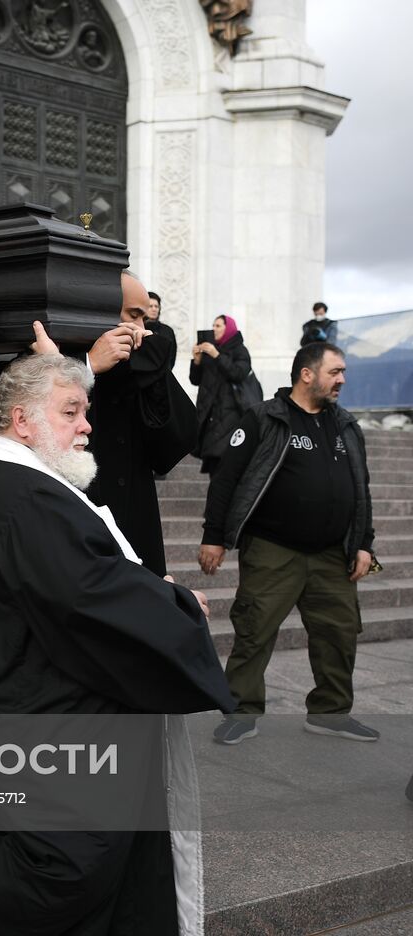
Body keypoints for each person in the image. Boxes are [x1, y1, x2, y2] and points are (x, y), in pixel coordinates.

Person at [0, 353, 233, 936]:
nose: (85, 425)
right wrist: (172, 606)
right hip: (49, 710)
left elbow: (91, 573)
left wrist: (150, 587)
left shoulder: (34, 481)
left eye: (84, 412)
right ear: (22, 420)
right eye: (70, 412)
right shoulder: (22, 495)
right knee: (67, 864)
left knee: (119, 846)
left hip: (74, 695)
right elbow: (85, 596)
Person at [202, 342, 378, 745]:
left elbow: (360, 489)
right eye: (335, 372)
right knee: (255, 630)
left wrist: (364, 543)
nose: (342, 380)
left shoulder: (346, 426)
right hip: (273, 548)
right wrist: (214, 536)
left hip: (333, 554)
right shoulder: (265, 418)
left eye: (343, 372)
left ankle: (330, 713)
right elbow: (226, 479)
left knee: (339, 633)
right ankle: (241, 713)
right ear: (307, 374)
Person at [32, 271, 193, 575]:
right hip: (74, 536)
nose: (141, 328)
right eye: (133, 315)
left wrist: (153, 371)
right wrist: (88, 365)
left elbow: (173, 446)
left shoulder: (139, 366)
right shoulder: (44, 355)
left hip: (133, 525)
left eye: (146, 319)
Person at [190, 313, 254, 473]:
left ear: (228, 328)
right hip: (210, 415)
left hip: (230, 415)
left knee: (224, 463)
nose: (214, 329)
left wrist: (217, 355)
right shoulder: (211, 349)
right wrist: (196, 361)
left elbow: (239, 373)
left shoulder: (239, 350)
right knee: (214, 465)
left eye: (218, 326)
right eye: (213, 325)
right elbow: (195, 380)